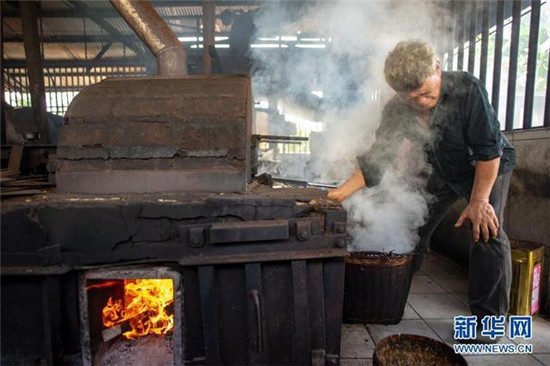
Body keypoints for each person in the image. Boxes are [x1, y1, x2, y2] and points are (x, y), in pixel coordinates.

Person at [328, 40, 516, 327]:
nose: (422, 103)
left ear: (437, 69)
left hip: (487, 166)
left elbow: (489, 150)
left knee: (486, 231)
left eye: (427, 94)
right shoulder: (396, 110)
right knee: (414, 226)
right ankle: (396, 286)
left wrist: (479, 202)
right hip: (444, 169)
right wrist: (338, 194)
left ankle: (489, 319)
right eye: (412, 99)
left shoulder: (467, 90)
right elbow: (376, 161)